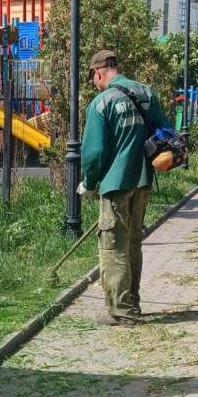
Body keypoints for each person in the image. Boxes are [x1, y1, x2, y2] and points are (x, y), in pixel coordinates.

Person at [78, 49, 174, 325]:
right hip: (143, 181)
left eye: (92, 77)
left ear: (98, 73)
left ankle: (122, 310)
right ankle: (133, 302)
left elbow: (94, 152)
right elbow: (165, 132)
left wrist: (89, 182)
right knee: (132, 243)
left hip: (115, 184)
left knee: (113, 246)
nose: (94, 83)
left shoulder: (102, 103)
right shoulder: (146, 93)